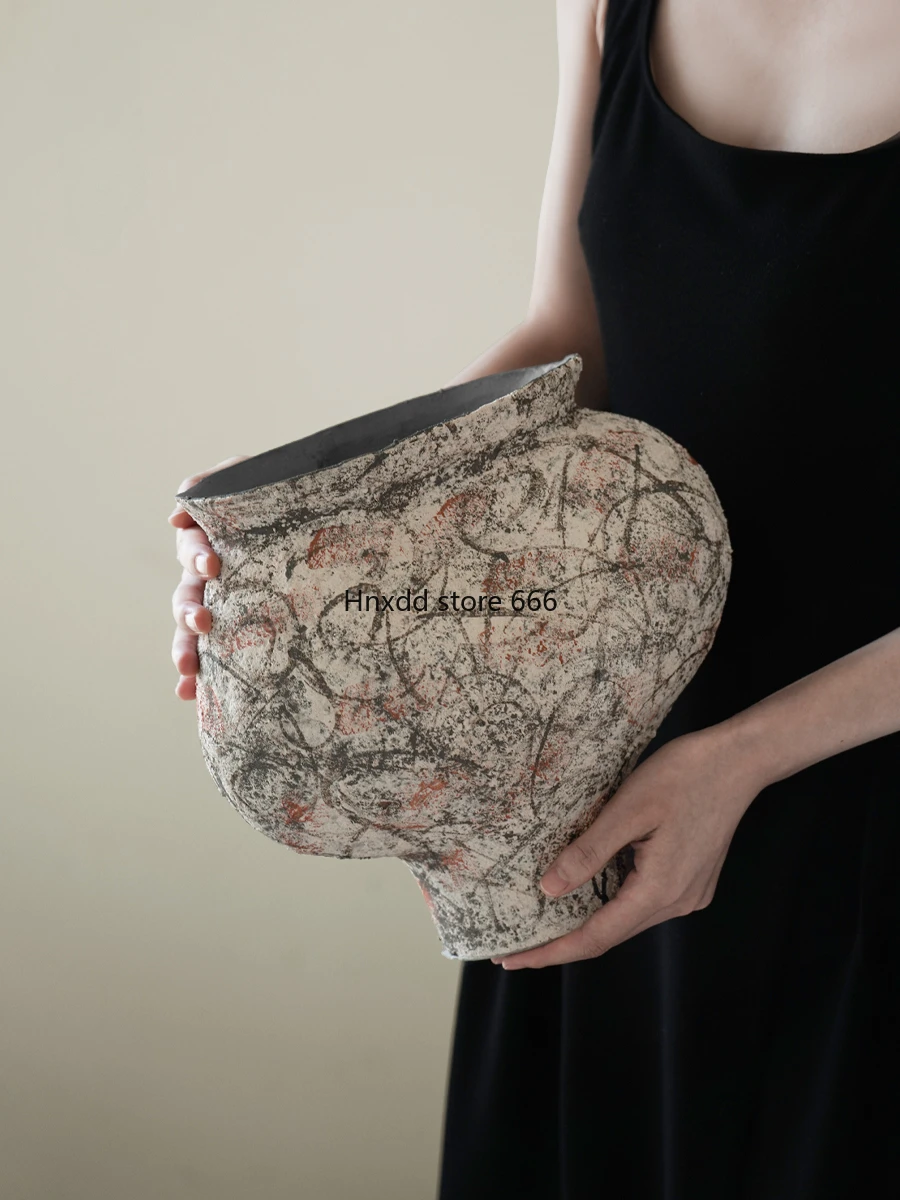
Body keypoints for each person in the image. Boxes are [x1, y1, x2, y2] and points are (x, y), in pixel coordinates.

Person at [169, 1, 900, 1194]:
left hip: (857, 781)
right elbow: (576, 342)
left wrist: (743, 760)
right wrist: (314, 541)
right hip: (596, 767)